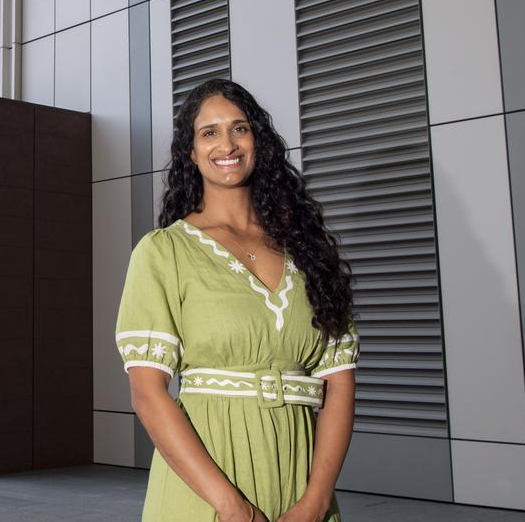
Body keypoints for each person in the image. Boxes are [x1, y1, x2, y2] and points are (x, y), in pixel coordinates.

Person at [115, 79, 357, 522]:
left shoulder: (307, 250)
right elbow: (148, 394)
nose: (226, 143)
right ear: (190, 153)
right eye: (209, 132)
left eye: (239, 128)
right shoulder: (164, 251)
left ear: (257, 141)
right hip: (207, 490)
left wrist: (317, 501)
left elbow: (339, 383)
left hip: (301, 484)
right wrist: (232, 508)